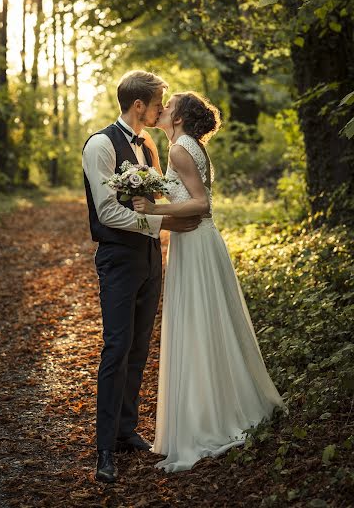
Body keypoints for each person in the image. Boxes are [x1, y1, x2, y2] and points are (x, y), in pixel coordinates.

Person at [132, 91, 287, 473]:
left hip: (197, 242)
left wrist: (154, 209)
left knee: (198, 327)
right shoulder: (188, 145)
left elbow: (201, 203)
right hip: (197, 240)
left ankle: (207, 419)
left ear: (180, 118)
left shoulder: (180, 149)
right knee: (207, 326)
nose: (162, 108)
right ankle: (218, 403)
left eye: (169, 106)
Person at [82, 72, 201, 483]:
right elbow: (107, 212)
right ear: (138, 106)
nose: (160, 111)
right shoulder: (100, 145)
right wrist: (163, 225)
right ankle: (102, 450)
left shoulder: (148, 144)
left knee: (138, 347)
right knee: (116, 348)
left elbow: (152, 198)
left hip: (150, 259)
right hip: (117, 258)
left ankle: (124, 430)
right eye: (156, 104)